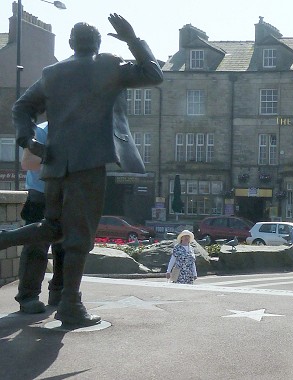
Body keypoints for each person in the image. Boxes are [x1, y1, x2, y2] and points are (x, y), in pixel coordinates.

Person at [3, 14, 163, 328]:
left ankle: (6, 238)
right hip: (88, 164)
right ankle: (71, 306)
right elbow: (154, 73)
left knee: (53, 227)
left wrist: (28, 138)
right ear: (98, 44)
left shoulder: (52, 73)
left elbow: (21, 107)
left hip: (54, 163)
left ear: (70, 44)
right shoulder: (109, 66)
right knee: (79, 238)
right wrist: (132, 38)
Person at [15, 122, 65, 314]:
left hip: (67, 197)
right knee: (36, 246)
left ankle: (60, 293)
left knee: (66, 249)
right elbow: (27, 162)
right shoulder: (43, 130)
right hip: (41, 196)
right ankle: (28, 296)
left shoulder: (80, 128)